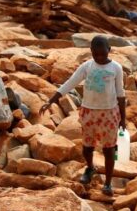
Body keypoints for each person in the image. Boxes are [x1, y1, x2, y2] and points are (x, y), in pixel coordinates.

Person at [40, 36, 126, 196]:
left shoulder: (116, 68)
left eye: (102, 54)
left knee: (109, 150)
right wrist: (51, 101)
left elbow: (120, 94)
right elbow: (70, 83)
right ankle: (90, 167)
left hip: (109, 113)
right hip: (89, 111)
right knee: (87, 147)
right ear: (91, 52)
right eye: (96, 54)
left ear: (109, 50)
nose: (99, 57)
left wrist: (123, 118)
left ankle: (107, 183)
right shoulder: (87, 66)